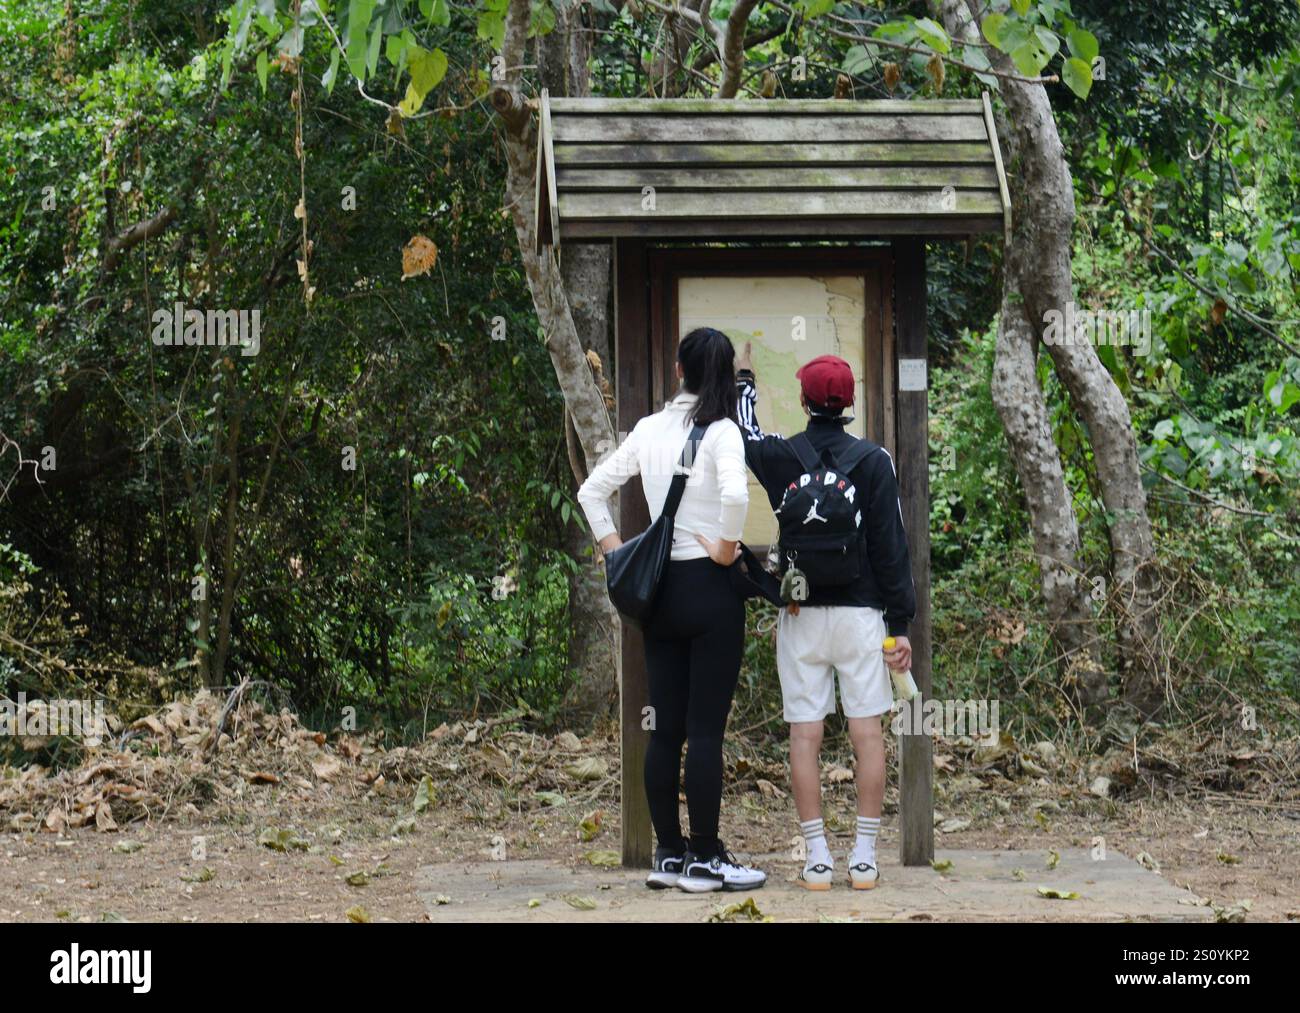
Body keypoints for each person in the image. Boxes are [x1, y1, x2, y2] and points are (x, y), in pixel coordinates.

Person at [577, 327, 767, 893]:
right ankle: (706, 858)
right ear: (727, 375)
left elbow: (592, 491)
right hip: (709, 589)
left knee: (665, 729)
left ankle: (668, 853)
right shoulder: (724, 431)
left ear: (679, 371)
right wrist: (729, 546)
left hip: (659, 594)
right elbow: (735, 495)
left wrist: (616, 553)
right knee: (706, 731)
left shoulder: (649, 429)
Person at [735, 345, 915, 890]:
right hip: (861, 619)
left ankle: (816, 858)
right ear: (851, 402)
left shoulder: (781, 457)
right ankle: (863, 857)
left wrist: (745, 377)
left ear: (804, 400)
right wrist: (899, 624)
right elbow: (891, 550)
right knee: (866, 733)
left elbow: (744, 432)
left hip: (801, 613)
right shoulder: (874, 461)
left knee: (805, 736)